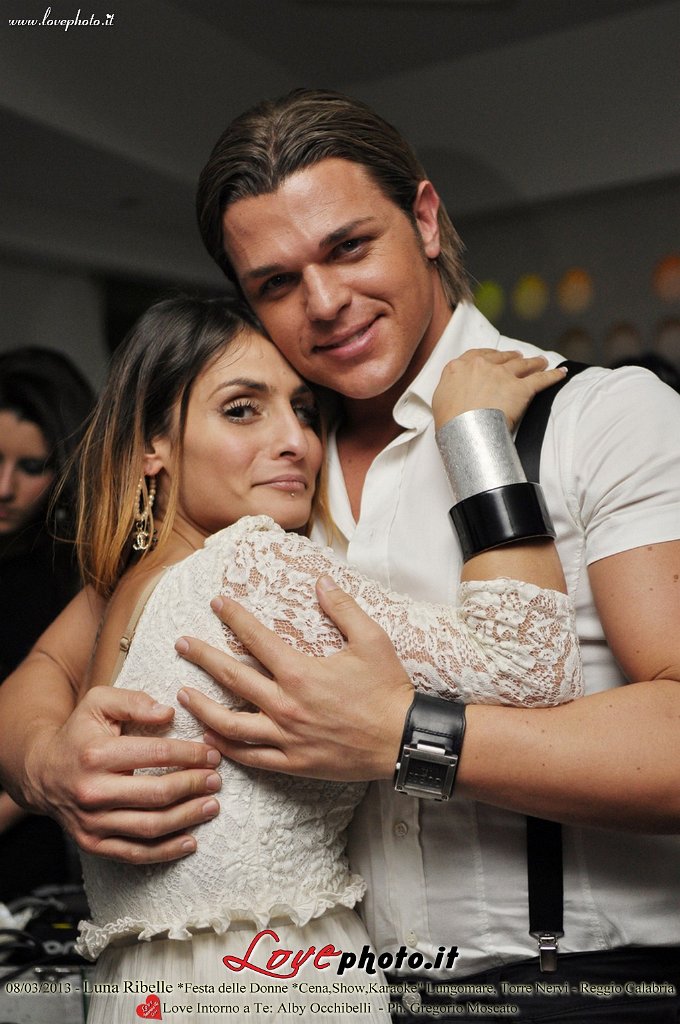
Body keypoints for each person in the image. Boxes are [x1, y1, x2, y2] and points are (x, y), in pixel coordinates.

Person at [0, 87, 678, 1021]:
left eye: (349, 247)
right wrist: (47, 764)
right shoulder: (264, 482)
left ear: (426, 221)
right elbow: (47, 666)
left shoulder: (601, 416)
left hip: (579, 990)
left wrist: (401, 733)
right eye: (277, 282)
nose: (324, 303)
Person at [68, 294, 577, 1023]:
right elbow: (533, 671)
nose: (295, 442)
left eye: (304, 411)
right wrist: (475, 436)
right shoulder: (248, 564)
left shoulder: (127, 596)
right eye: (242, 410)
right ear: (152, 445)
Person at [0, 347, 93, 903]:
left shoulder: (73, 580)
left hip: (30, 860)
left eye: (31, 467)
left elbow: (67, 734)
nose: (3, 488)